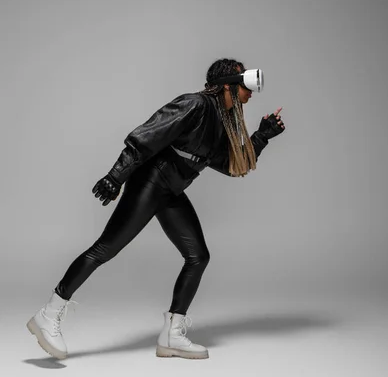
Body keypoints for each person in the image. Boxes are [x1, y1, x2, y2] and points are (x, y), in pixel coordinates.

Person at [27, 58, 285, 361]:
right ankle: (48, 313)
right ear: (228, 84)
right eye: (245, 85)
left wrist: (262, 136)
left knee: (198, 256)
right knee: (104, 250)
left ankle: (172, 336)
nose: (250, 93)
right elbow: (147, 135)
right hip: (150, 184)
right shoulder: (195, 105)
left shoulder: (221, 122)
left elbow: (232, 165)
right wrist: (116, 176)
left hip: (171, 192)